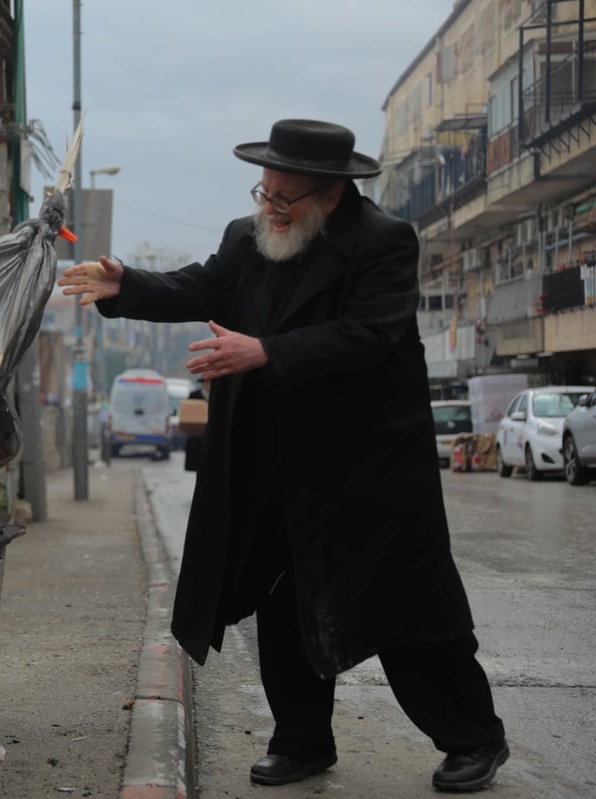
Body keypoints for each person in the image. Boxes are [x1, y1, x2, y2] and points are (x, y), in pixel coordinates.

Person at [58, 119, 508, 793]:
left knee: (407, 613)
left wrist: (264, 351)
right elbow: (200, 287)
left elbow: (371, 336)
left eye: (283, 197)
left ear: (330, 195)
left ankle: (474, 737)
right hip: (274, 466)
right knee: (283, 606)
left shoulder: (384, 243)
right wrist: (127, 286)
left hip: (365, 469)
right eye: (263, 190)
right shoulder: (247, 238)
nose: (267, 205)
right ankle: (301, 740)